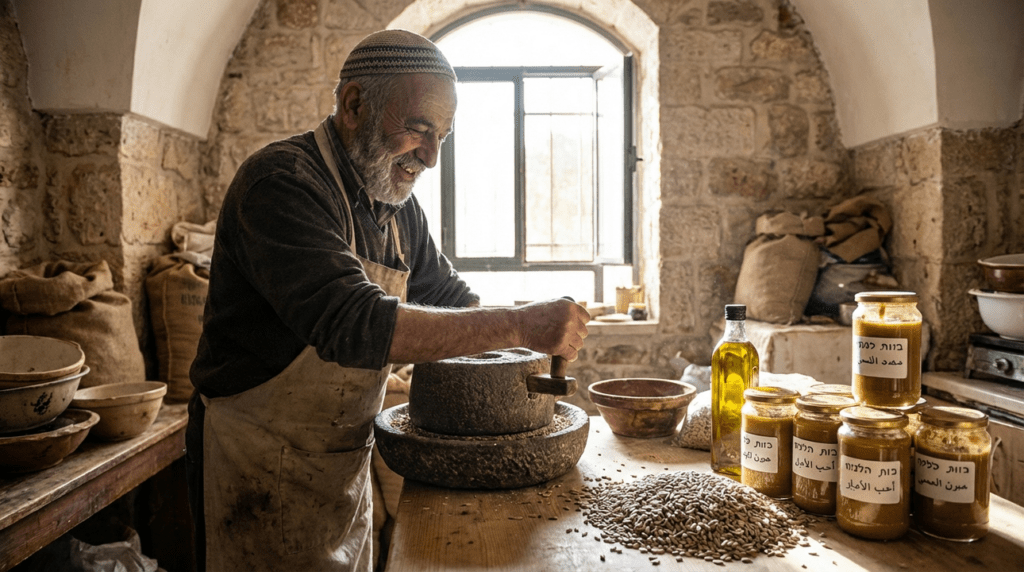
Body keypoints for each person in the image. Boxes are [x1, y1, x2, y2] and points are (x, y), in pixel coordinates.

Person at [185, 29, 590, 572]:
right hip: (256, 461)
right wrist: (521, 325)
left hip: (338, 459)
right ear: (354, 104)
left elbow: (450, 299)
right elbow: (356, 324)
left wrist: (524, 351)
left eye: (443, 136)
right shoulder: (281, 183)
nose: (431, 156)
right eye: (419, 129)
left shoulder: (395, 205)